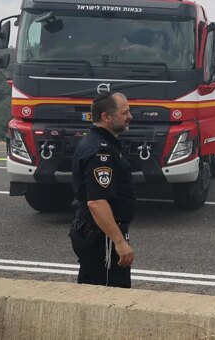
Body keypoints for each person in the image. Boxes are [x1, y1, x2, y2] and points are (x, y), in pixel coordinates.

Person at [69, 91, 135, 287]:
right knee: (110, 295)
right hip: (101, 236)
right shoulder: (101, 151)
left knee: (93, 287)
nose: (130, 116)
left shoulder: (102, 143)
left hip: (99, 232)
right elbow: (97, 202)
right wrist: (119, 242)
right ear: (107, 117)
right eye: (125, 113)